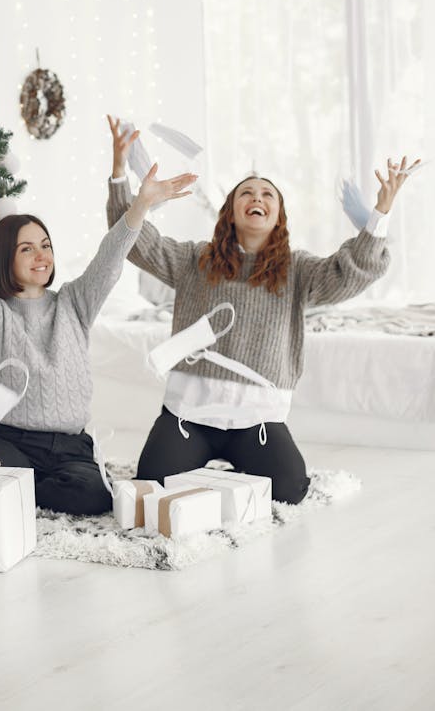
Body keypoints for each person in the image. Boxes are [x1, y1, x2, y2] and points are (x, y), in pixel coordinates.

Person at [106, 116, 418, 504]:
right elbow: (135, 242)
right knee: (151, 485)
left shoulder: (297, 269)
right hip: (189, 417)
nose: (257, 198)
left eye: (268, 194)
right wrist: (123, 178)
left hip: (257, 423)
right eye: (247, 193)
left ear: (278, 217)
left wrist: (380, 215)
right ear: (231, 212)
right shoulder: (194, 260)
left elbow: (349, 273)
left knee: (288, 491)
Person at [0, 160, 195, 515]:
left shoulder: (74, 302)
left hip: (70, 446)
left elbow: (109, 260)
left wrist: (140, 206)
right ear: (6, 257)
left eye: (45, 245)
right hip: (8, 440)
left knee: (94, 497)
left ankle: (20, 492)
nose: (41, 255)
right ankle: (14, 489)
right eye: (27, 249)